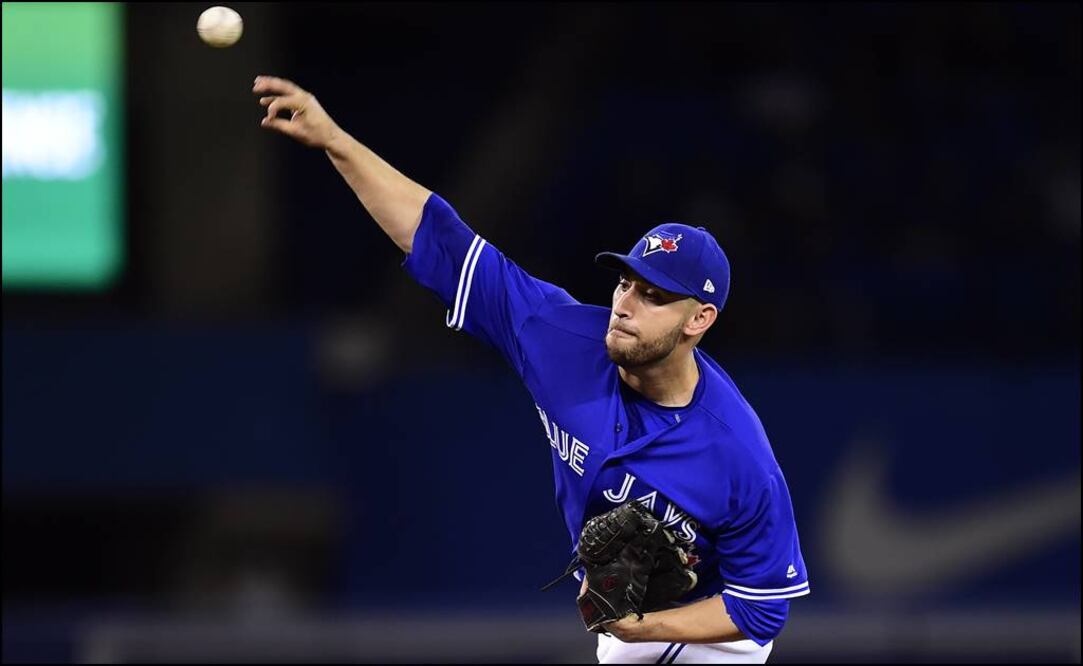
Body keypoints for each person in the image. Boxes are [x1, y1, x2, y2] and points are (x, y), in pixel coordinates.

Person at [252, 75, 810, 664]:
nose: (624, 303)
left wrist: (648, 628)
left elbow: (762, 609)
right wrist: (336, 140)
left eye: (653, 296)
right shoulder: (560, 337)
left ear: (698, 319)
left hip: (714, 636)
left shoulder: (738, 454)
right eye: (625, 281)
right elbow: (440, 239)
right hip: (625, 628)